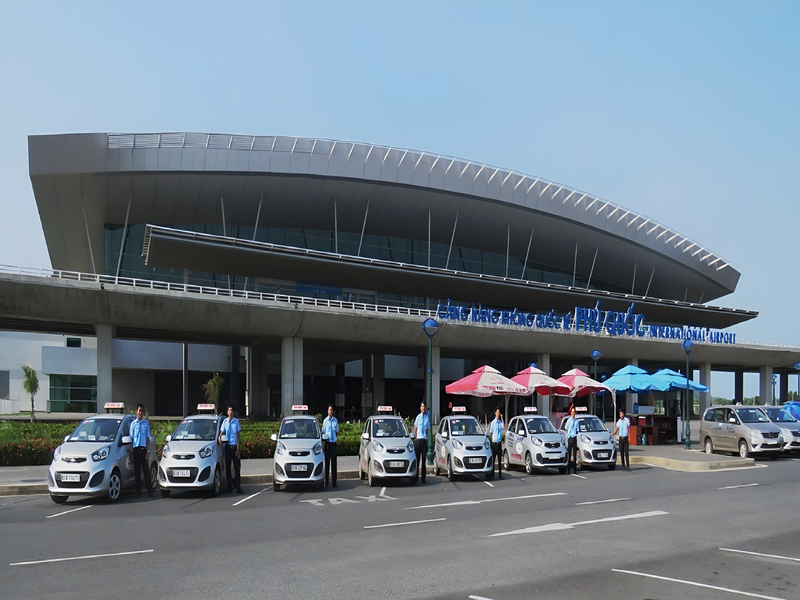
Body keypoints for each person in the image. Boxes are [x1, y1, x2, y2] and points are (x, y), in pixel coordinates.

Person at [129, 403, 155, 498]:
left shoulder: (145, 423)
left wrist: (148, 451)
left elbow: (147, 438)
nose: (140, 412)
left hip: (143, 450)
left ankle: (150, 492)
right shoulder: (133, 424)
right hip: (136, 450)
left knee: (146, 471)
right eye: (139, 410)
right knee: (137, 472)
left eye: (142, 411)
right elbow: (130, 439)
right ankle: (138, 492)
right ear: (136, 411)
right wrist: (132, 452)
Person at [218, 404, 243, 494]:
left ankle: (239, 487)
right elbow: (221, 432)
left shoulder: (236, 422)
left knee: (237, 468)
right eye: (229, 410)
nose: (231, 412)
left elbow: (238, 435)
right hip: (228, 447)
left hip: (234, 447)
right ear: (227, 412)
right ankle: (229, 487)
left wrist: (238, 448)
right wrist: (219, 437)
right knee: (228, 468)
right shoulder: (225, 422)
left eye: (232, 410)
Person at [322, 404, 339, 488]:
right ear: (327, 411)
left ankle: (334, 483)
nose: (330, 412)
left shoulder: (335, 420)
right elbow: (323, 432)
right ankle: (326, 482)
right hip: (327, 444)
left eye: (332, 410)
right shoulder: (325, 421)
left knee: (334, 464)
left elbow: (336, 432)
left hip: (333, 444)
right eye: (329, 410)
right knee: (327, 463)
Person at [413, 402, 430, 483]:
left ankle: (423, 479)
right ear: (420, 408)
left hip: (424, 440)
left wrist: (425, 437)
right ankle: (415, 478)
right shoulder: (418, 417)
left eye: (424, 406)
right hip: (418, 440)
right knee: (417, 460)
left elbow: (427, 430)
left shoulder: (427, 418)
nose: (423, 408)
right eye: (422, 406)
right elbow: (415, 429)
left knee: (424, 461)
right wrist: (417, 437)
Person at [488, 408, 504, 479]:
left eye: (499, 412)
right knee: (493, 460)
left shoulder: (500, 422)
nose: (498, 414)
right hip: (494, 443)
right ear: (495, 413)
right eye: (497, 412)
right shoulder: (493, 423)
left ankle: (500, 475)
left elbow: (503, 427)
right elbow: (491, 433)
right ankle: (493, 474)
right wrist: (491, 443)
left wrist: (502, 418)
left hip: (499, 443)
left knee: (500, 460)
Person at [565, 405, 580, 474]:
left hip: (574, 438)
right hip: (570, 438)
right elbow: (566, 428)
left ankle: (574, 469)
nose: (573, 413)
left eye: (574, 412)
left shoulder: (576, 421)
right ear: (571, 413)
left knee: (574, 454)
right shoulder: (569, 420)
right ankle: (568, 468)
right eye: (572, 412)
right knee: (569, 453)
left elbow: (578, 430)